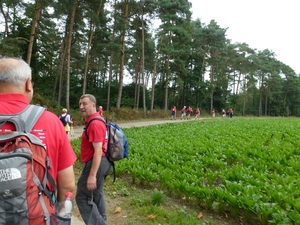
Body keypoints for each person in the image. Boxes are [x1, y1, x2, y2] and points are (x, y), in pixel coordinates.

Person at [0, 58, 76, 211]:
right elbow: (67, 185)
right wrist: (60, 218)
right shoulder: (50, 121)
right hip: (35, 217)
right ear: (28, 84)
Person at [76, 94, 111, 225]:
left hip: (96, 163)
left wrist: (91, 175)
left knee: (82, 197)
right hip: (103, 162)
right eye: (80, 104)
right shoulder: (97, 119)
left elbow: (97, 151)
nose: (81, 107)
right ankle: (103, 220)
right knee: (97, 193)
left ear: (93, 105)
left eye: (84, 104)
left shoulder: (95, 123)